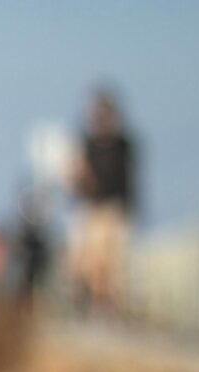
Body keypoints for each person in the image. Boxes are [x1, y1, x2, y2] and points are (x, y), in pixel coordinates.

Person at [68, 84, 139, 318]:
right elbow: (77, 181)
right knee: (89, 264)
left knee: (113, 266)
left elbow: (129, 180)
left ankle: (110, 310)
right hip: (91, 209)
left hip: (114, 210)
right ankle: (90, 307)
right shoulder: (86, 145)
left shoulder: (123, 145)